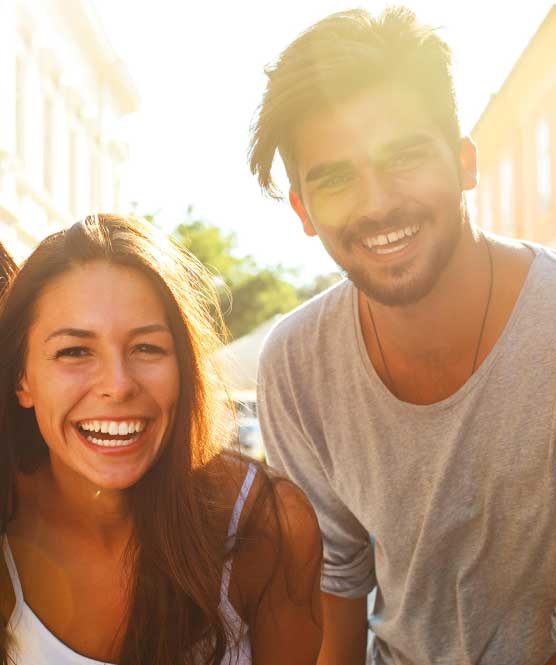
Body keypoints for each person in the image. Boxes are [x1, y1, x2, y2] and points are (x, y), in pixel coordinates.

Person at [249, 7, 556, 665]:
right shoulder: (297, 365)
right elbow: (337, 597)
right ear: (303, 209)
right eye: (334, 178)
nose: (377, 203)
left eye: (405, 156)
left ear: (465, 162)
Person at [0, 214, 322, 665]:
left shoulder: (269, 525)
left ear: (185, 365)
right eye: (75, 351)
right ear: (22, 380)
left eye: (147, 347)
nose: (118, 384)